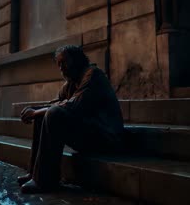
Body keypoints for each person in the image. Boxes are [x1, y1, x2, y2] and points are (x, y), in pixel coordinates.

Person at [18, 45, 124, 194]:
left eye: (65, 62)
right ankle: (35, 174)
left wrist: (37, 112)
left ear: (78, 60)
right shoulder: (70, 84)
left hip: (107, 138)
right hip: (90, 133)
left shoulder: (93, 75)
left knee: (53, 114)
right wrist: (34, 110)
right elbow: (54, 103)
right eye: (59, 64)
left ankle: (45, 182)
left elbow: (73, 105)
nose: (62, 68)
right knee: (43, 115)